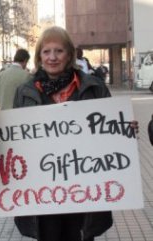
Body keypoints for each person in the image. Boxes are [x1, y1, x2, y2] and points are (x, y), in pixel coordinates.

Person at [12, 26, 117, 241]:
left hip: (85, 193)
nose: (52, 57)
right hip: (43, 194)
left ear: (69, 54)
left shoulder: (94, 88)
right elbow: (14, 140)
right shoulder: (25, 92)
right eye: (46, 51)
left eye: (58, 51)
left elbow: (111, 135)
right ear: (39, 56)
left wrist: (124, 129)